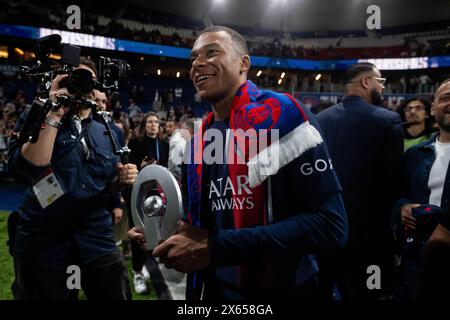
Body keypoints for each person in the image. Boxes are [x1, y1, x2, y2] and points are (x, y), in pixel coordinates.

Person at [129, 25, 348, 300]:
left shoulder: (285, 115)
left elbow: (330, 226)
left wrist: (216, 247)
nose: (198, 63)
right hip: (214, 289)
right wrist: (166, 232)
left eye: (211, 52)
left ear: (244, 62)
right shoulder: (198, 142)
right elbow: (210, 224)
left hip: (287, 290)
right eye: (193, 58)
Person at [8, 57, 138, 300]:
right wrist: (55, 111)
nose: (80, 86)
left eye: (86, 80)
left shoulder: (110, 130)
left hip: (95, 233)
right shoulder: (38, 113)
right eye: (72, 79)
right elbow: (28, 168)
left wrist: (121, 181)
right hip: (44, 234)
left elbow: (108, 183)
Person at [316, 62, 404, 299]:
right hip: (370, 236)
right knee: (369, 293)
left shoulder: (319, 119)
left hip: (325, 231)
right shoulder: (389, 120)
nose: (382, 87)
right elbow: (391, 181)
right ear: (366, 82)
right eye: (380, 81)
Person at [391, 79, 450, 299]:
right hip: (417, 259)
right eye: (444, 98)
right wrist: (403, 207)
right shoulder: (415, 154)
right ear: (433, 108)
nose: (449, 103)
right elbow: (397, 195)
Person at [127, 111, 169, 294]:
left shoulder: (164, 145)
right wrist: (141, 167)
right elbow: (129, 169)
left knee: (156, 231)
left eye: (156, 122)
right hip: (138, 193)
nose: (153, 125)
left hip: (158, 193)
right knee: (139, 231)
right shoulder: (135, 143)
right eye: (150, 122)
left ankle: (151, 261)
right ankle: (137, 271)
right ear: (145, 125)